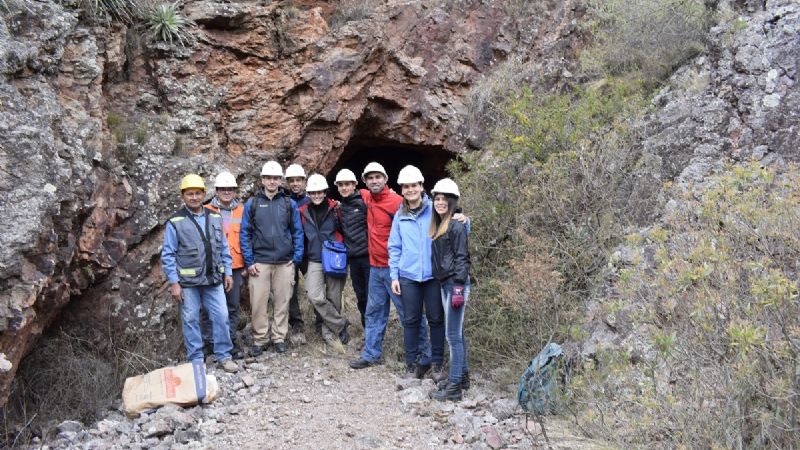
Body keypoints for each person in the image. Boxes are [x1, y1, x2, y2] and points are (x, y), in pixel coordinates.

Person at [349, 162, 431, 373]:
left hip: (397, 270)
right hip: (375, 268)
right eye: (370, 178)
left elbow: (421, 212)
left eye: (378, 177)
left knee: (409, 314)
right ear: (365, 182)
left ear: (386, 179)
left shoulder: (397, 202)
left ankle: (424, 355)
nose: (374, 181)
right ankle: (371, 354)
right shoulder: (367, 198)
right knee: (373, 312)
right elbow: (349, 190)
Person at [161, 174, 238, 373]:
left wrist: (227, 272)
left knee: (222, 316)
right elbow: (168, 254)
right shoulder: (175, 221)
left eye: (197, 193)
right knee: (190, 319)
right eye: (190, 194)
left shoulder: (214, 217)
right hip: (188, 283)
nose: (194, 197)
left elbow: (223, 248)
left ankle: (224, 355)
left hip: (213, 280)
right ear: (183, 196)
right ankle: (196, 359)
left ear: (204, 194)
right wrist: (174, 283)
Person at [239, 161, 304, 356]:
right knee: (258, 303)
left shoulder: (288, 203)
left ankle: (278, 337)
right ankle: (260, 338)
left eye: (276, 178)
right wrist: (249, 261)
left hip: (284, 262)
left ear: (280, 180)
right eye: (269, 178)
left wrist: (297, 256)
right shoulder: (253, 204)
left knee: (282, 301)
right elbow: (245, 233)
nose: (272, 181)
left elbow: (297, 232)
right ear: (263, 180)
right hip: (260, 262)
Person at [389, 165, 447, 382]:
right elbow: (394, 247)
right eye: (406, 186)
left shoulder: (435, 210)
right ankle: (412, 365)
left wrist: (463, 220)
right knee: (411, 321)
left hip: (432, 276)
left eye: (414, 185)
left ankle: (437, 365)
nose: (410, 189)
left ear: (422, 187)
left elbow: (455, 227)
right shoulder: (399, 216)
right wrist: (394, 275)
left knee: (436, 320)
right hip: (408, 276)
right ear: (402, 190)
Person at [428, 178, 472, 402]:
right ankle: (462, 377)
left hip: (455, 284)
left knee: (452, 336)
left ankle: (454, 388)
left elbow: (463, 257)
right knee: (458, 333)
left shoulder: (456, 225)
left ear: (453, 201)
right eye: (437, 198)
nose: (440, 202)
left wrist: (457, 286)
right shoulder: (440, 224)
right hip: (446, 283)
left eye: (445, 199)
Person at [298, 174, 350, 345]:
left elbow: (346, 230)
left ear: (325, 191)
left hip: (335, 257)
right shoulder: (303, 212)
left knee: (334, 296)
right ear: (308, 194)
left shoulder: (336, 209)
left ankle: (329, 333)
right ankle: (340, 324)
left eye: (319, 192)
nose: (316, 196)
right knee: (315, 296)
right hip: (315, 259)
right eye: (313, 193)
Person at [200, 171, 247, 360]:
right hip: (211, 266)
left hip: (235, 265)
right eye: (223, 189)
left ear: (235, 190)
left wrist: (246, 263)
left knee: (232, 306)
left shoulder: (243, 210)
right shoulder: (204, 210)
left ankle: (230, 339)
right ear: (216, 191)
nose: (227, 192)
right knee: (207, 307)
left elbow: (247, 238)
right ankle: (208, 341)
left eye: (230, 189)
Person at [333, 168, 369, 328]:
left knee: (371, 296)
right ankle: (367, 328)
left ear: (354, 184)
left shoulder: (364, 203)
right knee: (360, 296)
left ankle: (374, 333)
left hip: (369, 257)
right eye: (341, 185)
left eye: (347, 184)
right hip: (353, 258)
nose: (344, 188)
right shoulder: (339, 209)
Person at [284, 163, 312, 345]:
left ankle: (321, 322)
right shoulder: (284, 201)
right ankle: (296, 324)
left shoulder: (312, 200)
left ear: (304, 181)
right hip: (290, 252)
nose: (295, 184)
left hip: (310, 252)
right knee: (291, 290)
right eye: (291, 181)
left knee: (315, 290)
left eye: (298, 180)